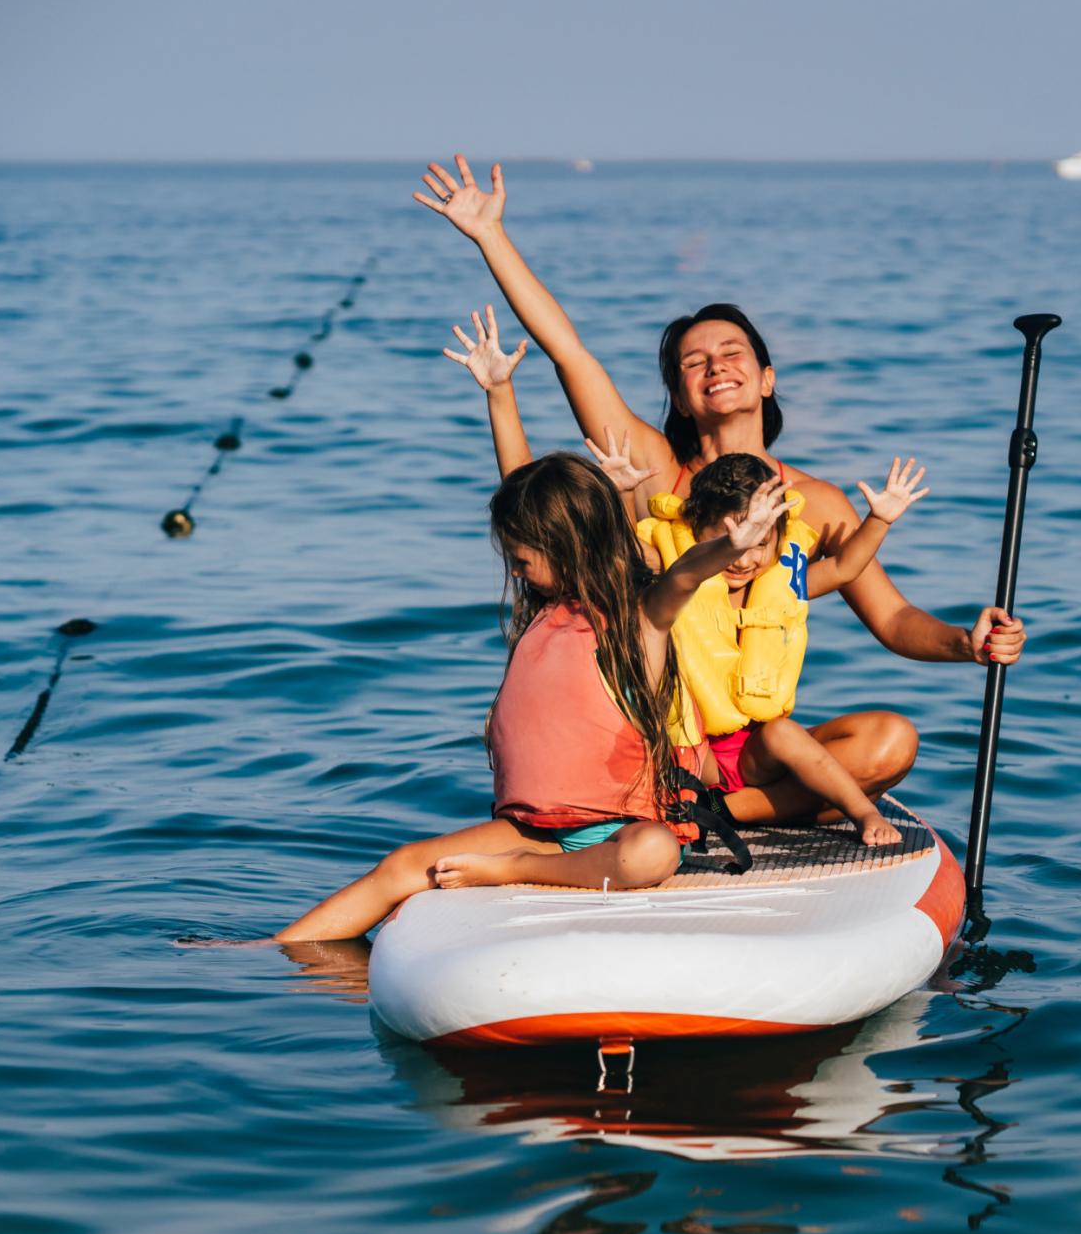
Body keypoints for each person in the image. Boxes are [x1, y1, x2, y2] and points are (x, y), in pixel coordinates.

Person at [413, 155, 1027, 827]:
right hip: (655, 735)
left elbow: (893, 619)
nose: (716, 366)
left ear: (765, 377)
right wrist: (490, 236)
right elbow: (570, 353)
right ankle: (750, 803)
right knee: (840, 782)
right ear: (679, 395)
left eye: (733, 352)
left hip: (748, 750)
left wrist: (966, 644)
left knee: (890, 743)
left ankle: (722, 811)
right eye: (693, 361)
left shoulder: (816, 503)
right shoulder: (653, 469)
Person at [274, 320, 796, 943]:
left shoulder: (641, 614)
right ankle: (265, 952)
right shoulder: (547, 603)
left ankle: (515, 873)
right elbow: (519, 487)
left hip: (620, 833)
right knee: (401, 866)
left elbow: (682, 579)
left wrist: (724, 548)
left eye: (522, 552)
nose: (513, 561)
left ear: (560, 543)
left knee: (651, 853)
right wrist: (499, 394)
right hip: (541, 824)